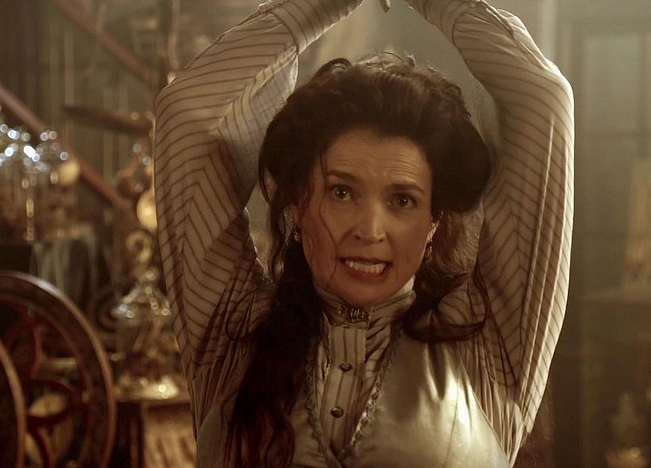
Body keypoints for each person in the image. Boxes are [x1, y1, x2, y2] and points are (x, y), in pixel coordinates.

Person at [153, 0, 574, 466]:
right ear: (296, 203)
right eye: (341, 192)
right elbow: (186, 115)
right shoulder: (233, 331)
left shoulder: (484, 345)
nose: (370, 231)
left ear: (434, 220)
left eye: (402, 201)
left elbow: (543, 99)